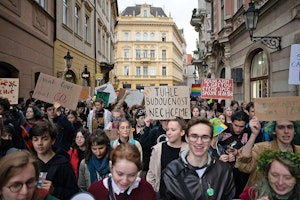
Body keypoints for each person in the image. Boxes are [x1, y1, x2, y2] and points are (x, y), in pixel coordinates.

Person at [160, 117, 235, 200]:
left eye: (205, 137)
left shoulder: (223, 171)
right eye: (194, 136)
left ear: (210, 140)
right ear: (187, 138)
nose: (199, 142)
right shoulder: (171, 173)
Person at [235, 119, 300, 188]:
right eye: (281, 127)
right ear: (274, 131)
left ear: (294, 131)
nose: (286, 131)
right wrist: (253, 135)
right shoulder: (262, 148)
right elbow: (244, 164)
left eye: (289, 127)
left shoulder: (298, 151)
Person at [88, 143, 157, 200]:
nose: (125, 181)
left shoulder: (146, 189)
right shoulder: (95, 191)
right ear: (111, 166)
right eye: (120, 174)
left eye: (132, 175)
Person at [29, 120, 79, 199]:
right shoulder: (29, 163)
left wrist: (55, 191)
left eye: (44, 139)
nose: (39, 143)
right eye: (35, 139)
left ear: (53, 140)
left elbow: (74, 193)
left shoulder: (63, 164)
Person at [147, 117, 188, 194]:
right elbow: (151, 174)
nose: (169, 133)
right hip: (162, 193)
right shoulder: (158, 149)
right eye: (167, 129)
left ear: (182, 132)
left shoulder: (188, 150)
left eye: (173, 130)